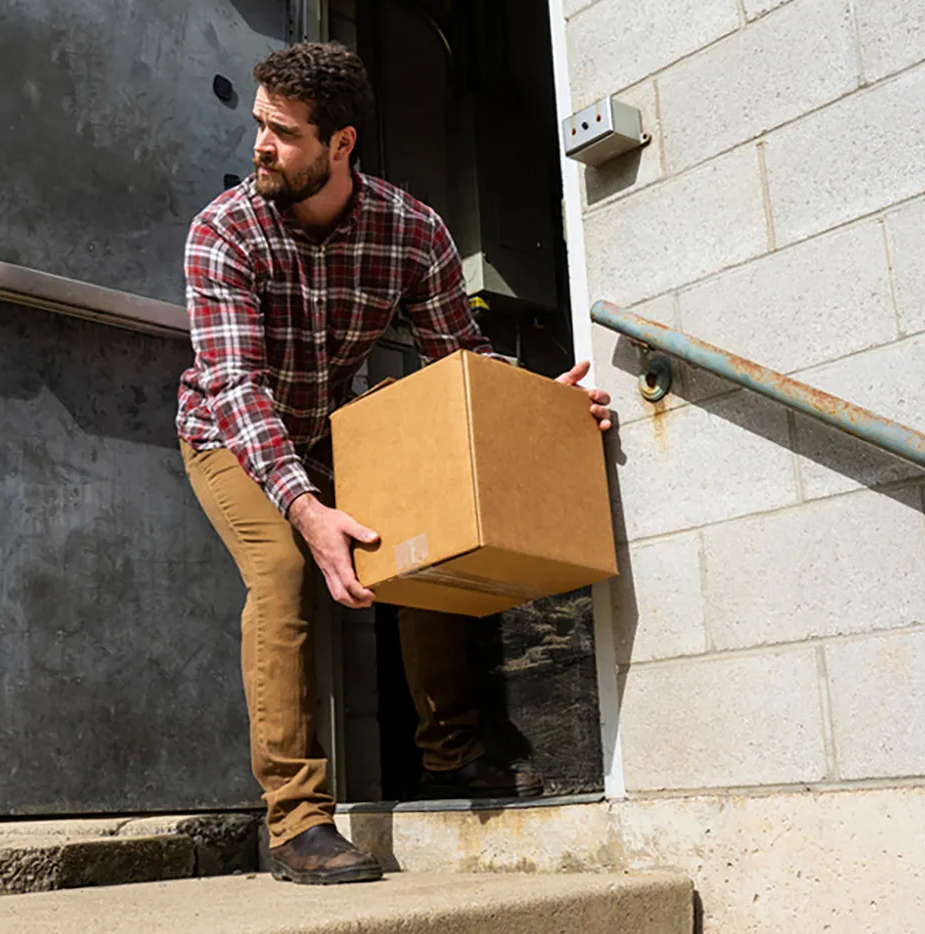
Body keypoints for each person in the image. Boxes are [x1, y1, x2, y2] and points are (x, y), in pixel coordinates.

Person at [174, 42, 612, 885]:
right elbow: (237, 385)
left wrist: (545, 411)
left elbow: (463, 359)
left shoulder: (411, 231)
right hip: (228, 433)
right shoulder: (223, 234)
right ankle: (297, 822)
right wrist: (305, 508)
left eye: (283, 132)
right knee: (282, 571)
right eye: (258, 123)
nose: (258, 144)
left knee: (421, 528)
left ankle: (448, 755)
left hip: (326, 427)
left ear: (341, 145)